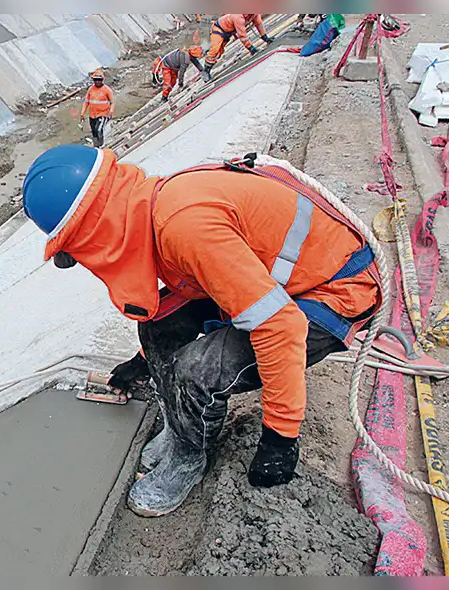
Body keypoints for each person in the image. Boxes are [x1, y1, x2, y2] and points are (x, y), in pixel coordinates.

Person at [21, 145, 380, 517]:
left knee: (196, 370)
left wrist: (280, 437)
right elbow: (199, 281)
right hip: (279, 279)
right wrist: (144, 361)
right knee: (158, 324)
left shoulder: (185, 227)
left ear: (95, 232)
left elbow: (279, 325)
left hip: (332, 292)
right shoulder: (149, 208)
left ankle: (188, 460)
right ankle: (180, 431)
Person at [204, 14, 275, 75]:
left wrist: (265, 37)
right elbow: (242, 36)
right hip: (219, 29)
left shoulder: (254, 14)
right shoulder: (238, 17)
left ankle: (208, 67)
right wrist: (250, 48)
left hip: (229, 31)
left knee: (220, 52)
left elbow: (259, 24)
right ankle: (206, 70)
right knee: (215, 50)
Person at [80, 70, 115, 148]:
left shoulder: (107, 90)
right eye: (96, 80)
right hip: (92, 115)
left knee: (99, 129)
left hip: (103, 114)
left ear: (102, 80)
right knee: (94, 132)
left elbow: (112, 102)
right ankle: (96, 146)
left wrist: (111, 112)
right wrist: (82, 113)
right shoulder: (91, 90)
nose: (98, 82)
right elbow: (86, 102)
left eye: (99, 80)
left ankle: (101, 145)